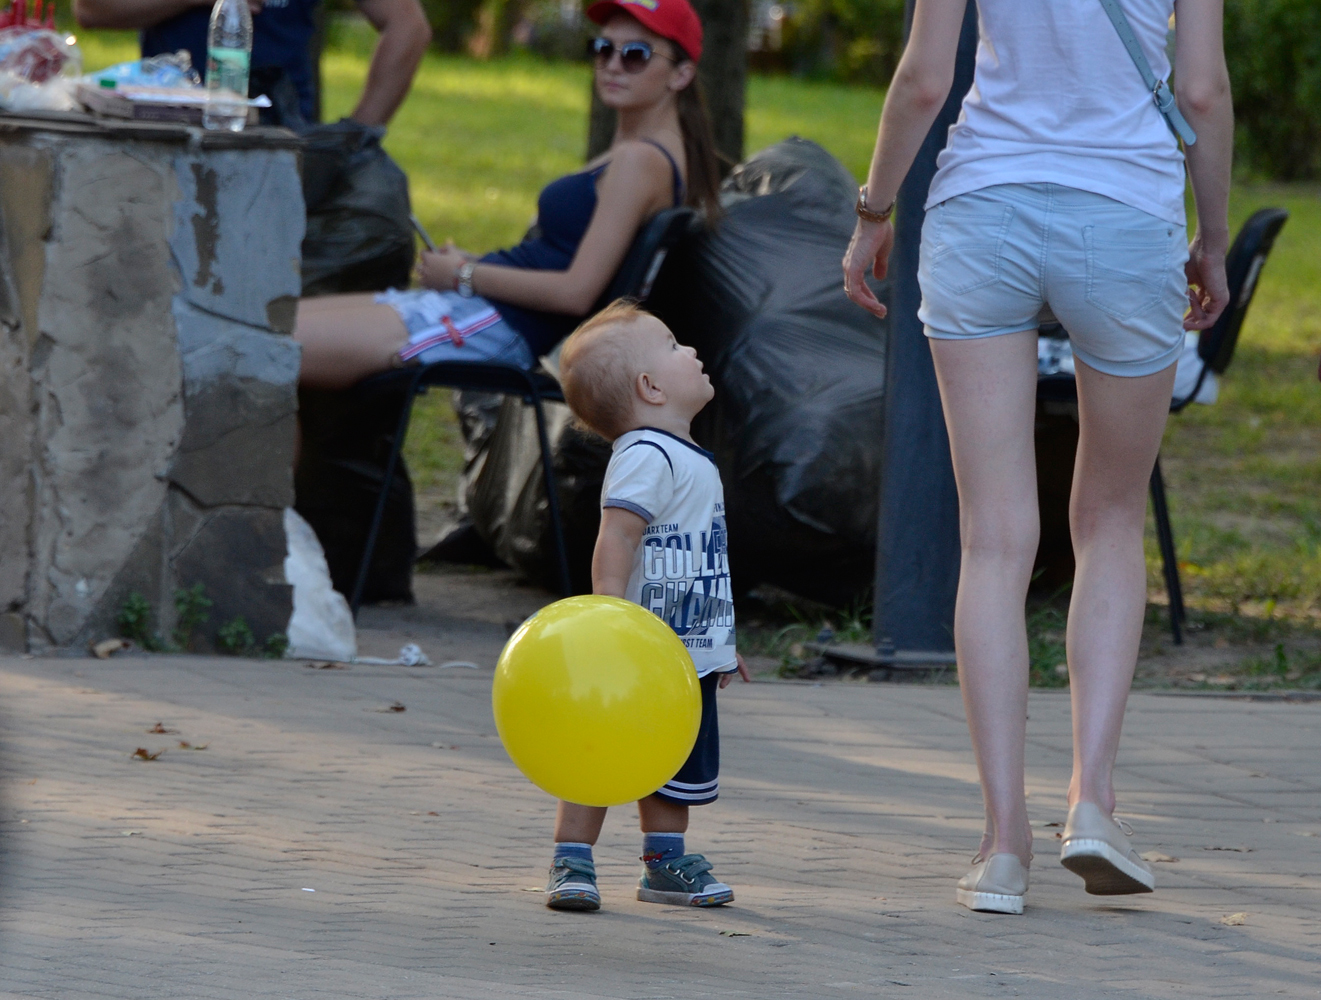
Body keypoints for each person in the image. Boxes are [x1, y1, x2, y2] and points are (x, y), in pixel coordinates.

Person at [843, 0, 1232, 914]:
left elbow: (924, 78)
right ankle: (1091, 803)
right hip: (1125, 217)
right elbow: (1203, 92)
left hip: (982, 209)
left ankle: (1000, 845)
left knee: (993, 540)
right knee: (1105, 520)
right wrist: (1210, 242)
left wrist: (872, 211)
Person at [293, 0, 721, 392]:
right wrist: (471, 266)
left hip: (493, 325)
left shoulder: (641, 161)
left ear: (681, 74)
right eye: (603, 48)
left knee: (265, 346)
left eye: (635, 55)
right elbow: (560, 259)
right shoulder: (642, 154)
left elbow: (576, 292)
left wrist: (462, 275)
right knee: (263, 328)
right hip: (480, 310)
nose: (611, 65)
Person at [541, 300, 750, 912]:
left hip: (688, 652)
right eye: (673, 343)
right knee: (601, 753)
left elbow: (701, 560)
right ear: (651, 386)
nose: (690, 351)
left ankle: (663, 863)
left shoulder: (683, 455)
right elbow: (620, 532)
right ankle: (570, 861)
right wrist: (610, 608)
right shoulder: (646, 454)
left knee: (670, 763)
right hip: (638, 652)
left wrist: (722, 646)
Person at [72, 0, 430, 127]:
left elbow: (408, 26)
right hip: (167, 134)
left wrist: (357, 137)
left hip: (278, 141)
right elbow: (91, 9)